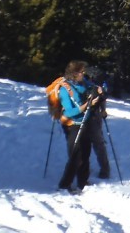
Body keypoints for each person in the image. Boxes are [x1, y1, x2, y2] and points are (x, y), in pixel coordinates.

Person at [56, 60, 104, 194]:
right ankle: (65, 184)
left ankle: (83, 181)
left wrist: (98, 90)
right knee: (75, 155)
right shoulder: (65, 89)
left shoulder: (84, 83)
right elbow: (69, 112)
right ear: (74, 73)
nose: (84, 73)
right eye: (82, 71)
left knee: (86, 152)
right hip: (72, 124)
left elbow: (92, 87)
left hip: (86, 121)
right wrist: (87, 105)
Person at [84, 69, 111, 179]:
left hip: (92, 116)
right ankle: (103, 169)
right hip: (93, 116)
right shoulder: (99, 86)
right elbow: (103, 98)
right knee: (97, 144)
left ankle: (103, 169)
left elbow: (102, 99)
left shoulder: (94, 86)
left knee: (95, 143)